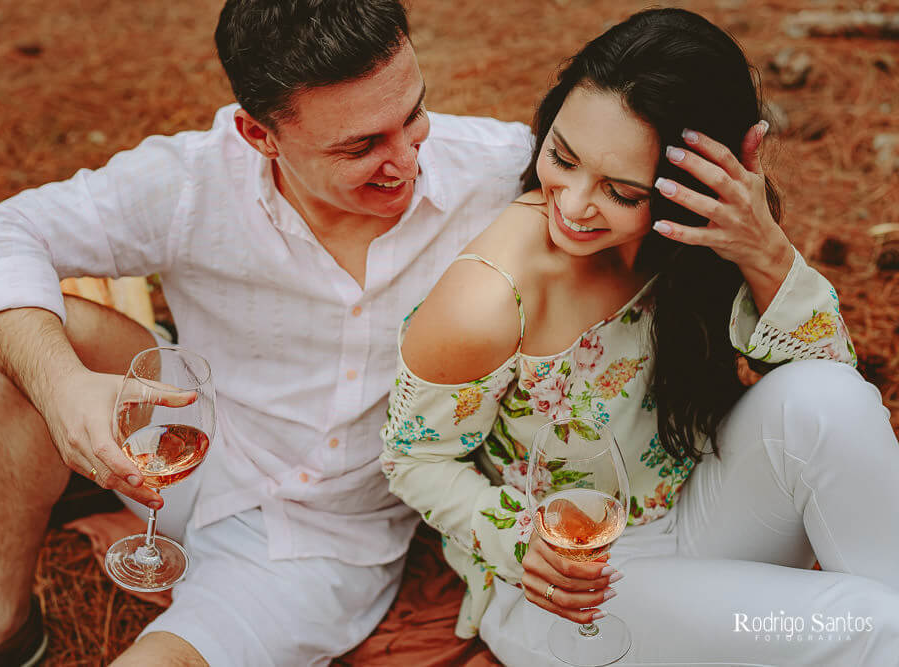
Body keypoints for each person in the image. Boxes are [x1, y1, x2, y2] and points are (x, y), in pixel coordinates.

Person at [0, 1, 538, 665]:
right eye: (360, 146)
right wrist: (60, 384)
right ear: (259, 135)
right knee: (38, 341)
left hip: (317, 536)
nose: (406, 161)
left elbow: (619, 191)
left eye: (413, 114)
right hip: (191, 437)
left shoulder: (501, 170)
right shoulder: (194, 180)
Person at [380, 8, 899, 665]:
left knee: (830, 398)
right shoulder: (488, 299)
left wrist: (764, 249)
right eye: (561, 157)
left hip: (700, 517)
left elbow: (835, 376)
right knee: (874, 624)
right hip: (573, 589)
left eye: (621, 190)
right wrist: (518, 539)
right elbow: (410, 458)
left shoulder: (688, 245)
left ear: (686, 191)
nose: (571, 204)